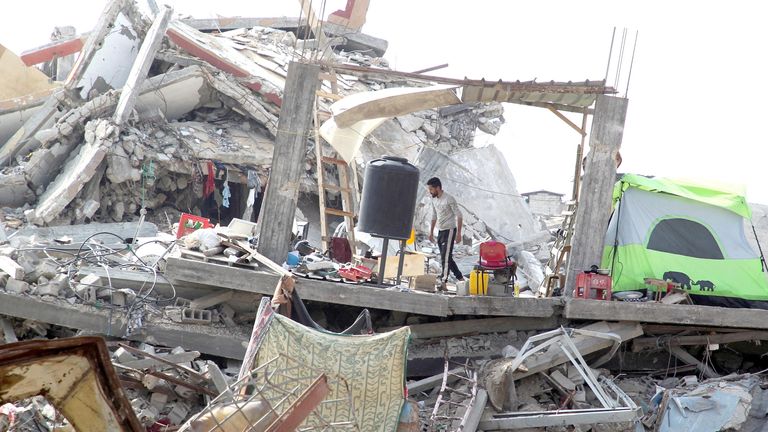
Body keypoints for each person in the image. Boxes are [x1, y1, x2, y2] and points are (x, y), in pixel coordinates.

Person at [427, 177, 465, 289]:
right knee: (447, 257)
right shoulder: (434, 199)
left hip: (450, 231)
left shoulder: (449, 199)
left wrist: (458, 234)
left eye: (431, 189)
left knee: (445, 257)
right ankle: (460, 278)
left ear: (437, 188)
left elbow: (459, 215)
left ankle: (443, 281)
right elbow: (434, 216)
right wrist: (430, 232)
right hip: (441, 231)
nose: (430, 191)